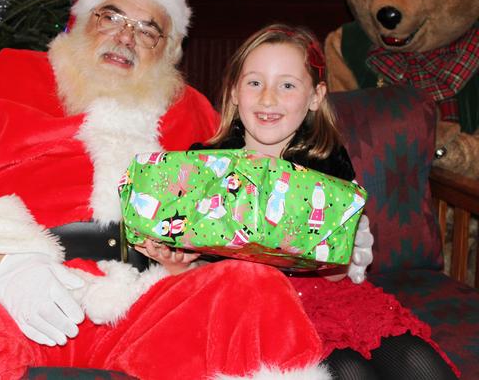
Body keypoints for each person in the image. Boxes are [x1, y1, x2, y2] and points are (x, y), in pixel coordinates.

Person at [0, 0, 333, 379]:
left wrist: (191, 255)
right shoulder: (5, 76)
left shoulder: (192, 110)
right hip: (6, 295)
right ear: (81, 21)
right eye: (112, 16)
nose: (126, 36)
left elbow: (238, 211)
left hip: (143, 306)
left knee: (253, 289)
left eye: (149, 30)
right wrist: (7, 262)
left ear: (167, 51)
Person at [178, 23, 458, 380]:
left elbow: (346, 261)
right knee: (350, 372)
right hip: (256, 306)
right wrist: (179, 261)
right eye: (254, 82)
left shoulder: (328, 162)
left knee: (420, 365)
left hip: (330, 296)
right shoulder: (206, 165)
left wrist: (334, 255)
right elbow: (189, 265)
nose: (268, 98)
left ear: (315, 96)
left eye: (288, 85)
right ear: (234, 91)